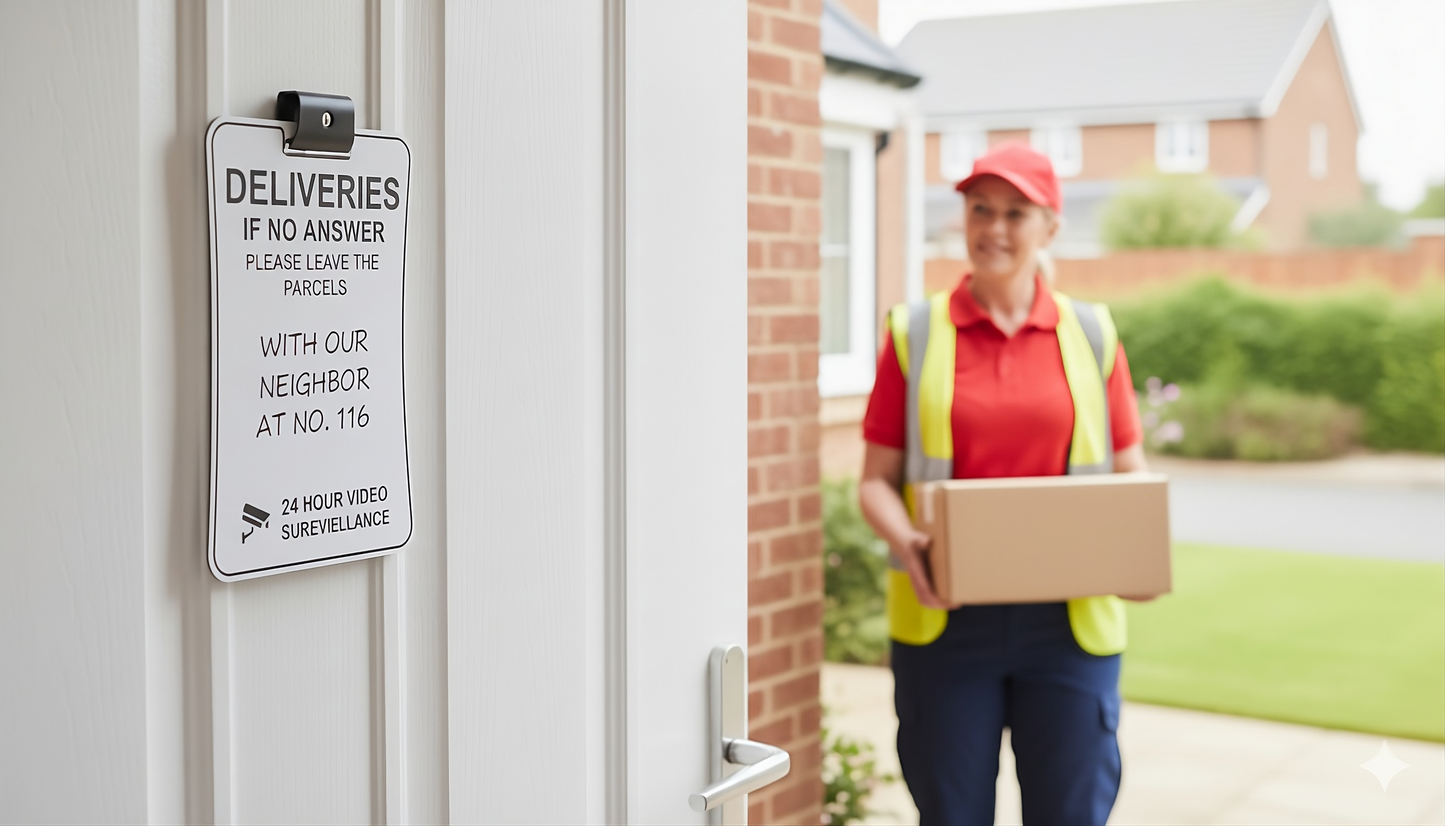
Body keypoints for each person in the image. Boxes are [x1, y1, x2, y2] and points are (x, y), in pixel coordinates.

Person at [858, 142, 1151, 826]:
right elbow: (873, 482)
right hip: (946, 622)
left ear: (1050, 226)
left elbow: (1128, 477)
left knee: (1070, 814)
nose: (993, 228)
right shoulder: (915, 333)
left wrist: (1136, 553)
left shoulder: (1091, 332)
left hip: (1070, 626)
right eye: (978, 209)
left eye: (1014, 213)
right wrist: (910, 546)